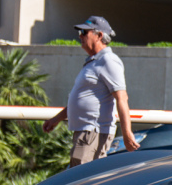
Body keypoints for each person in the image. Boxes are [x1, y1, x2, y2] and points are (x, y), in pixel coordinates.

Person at [43, 16, 140, 165]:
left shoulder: (108, 61)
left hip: (92, 132)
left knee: (79, 182)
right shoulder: (93, 62)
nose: (80, 36)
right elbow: (85, 98)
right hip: (86, 132)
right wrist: (57, 119)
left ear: (99, 35)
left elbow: (122, 98)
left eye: (84, 32)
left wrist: (127, 134)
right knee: (82, 180)